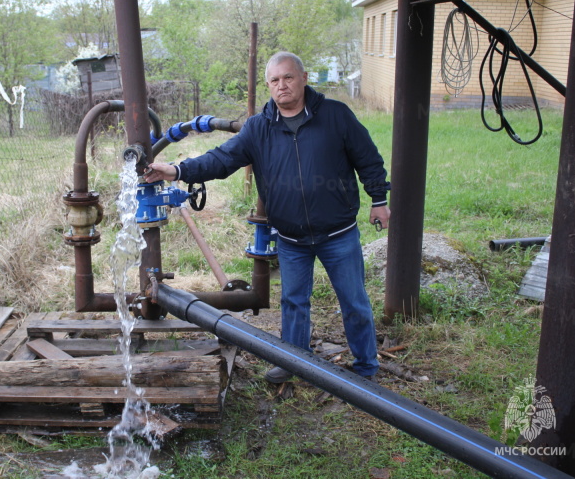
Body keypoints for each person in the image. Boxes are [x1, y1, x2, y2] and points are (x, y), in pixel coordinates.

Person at [144, 51, 391, 383]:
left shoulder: (336, 116)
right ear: (268, 85)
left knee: (354, 301)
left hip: (339, 234)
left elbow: (368, 158)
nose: (282, 85)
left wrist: (378, 199)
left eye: (288, 77)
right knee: (293, 303)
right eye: (274, 80)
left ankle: (366, 368)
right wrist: (177, 170)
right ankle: (293, 363)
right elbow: (222, 159)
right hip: (291, 239)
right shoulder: (259, 128)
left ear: (304, 78)